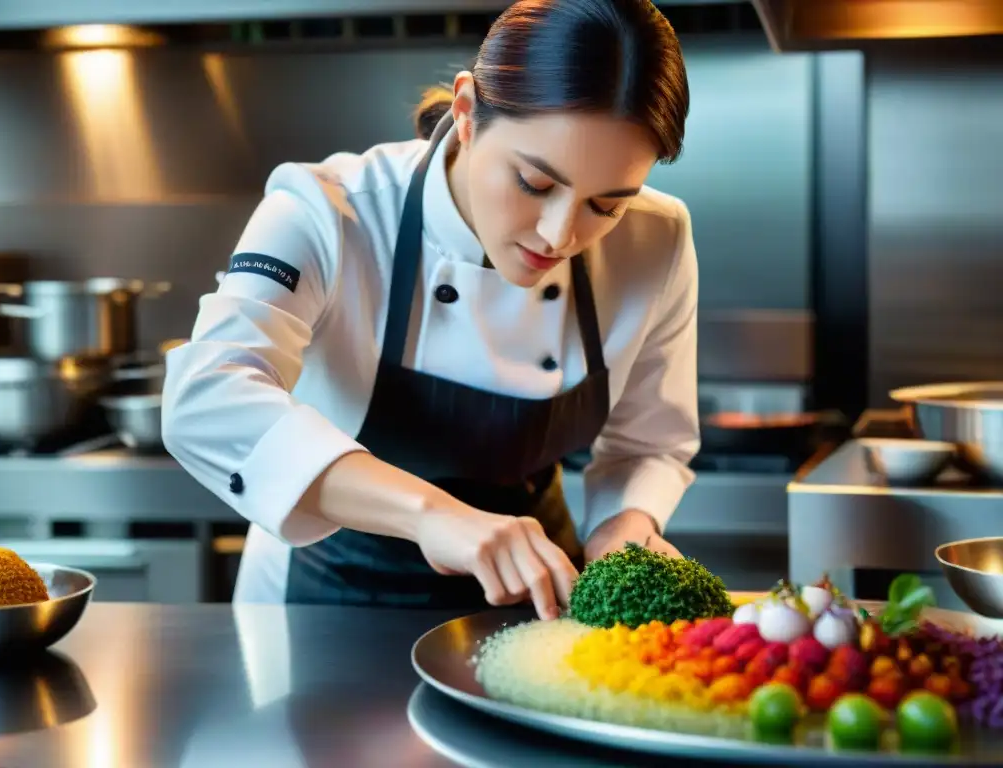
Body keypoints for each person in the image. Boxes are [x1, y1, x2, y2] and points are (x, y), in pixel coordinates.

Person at [161, 0, 699, 621]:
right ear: (467, 113)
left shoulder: (657, 237)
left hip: (537, 597)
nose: (558, 235)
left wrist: (623, 527)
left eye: (605, 207)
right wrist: (433, 515)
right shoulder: (329, 211)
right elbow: (206, 397)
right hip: (326, 605)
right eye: (535, 183)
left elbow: (648, 443)